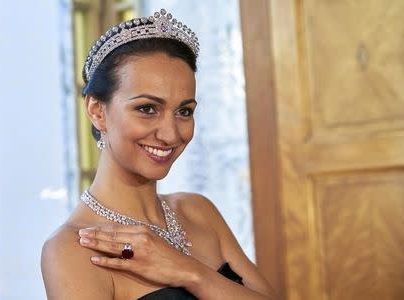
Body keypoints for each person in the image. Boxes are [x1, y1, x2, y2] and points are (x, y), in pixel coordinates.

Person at [41, 8, 277, 300]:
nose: (170, 134)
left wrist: (190, 272)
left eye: (184, 111)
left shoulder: (198, 211)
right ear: (97, 110)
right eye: (147, 109)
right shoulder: (75, 249)